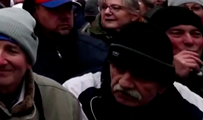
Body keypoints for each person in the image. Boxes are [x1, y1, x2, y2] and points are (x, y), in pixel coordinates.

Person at [63, 22, 203, 119]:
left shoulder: (194, 109)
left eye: (140, 75)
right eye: (119, 68)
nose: (124, 83)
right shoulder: (75, 94)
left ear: (162, 85)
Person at [23, 0, 107, 84]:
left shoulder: (96, 50)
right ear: (35, 11)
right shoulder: (23, 54)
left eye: (68, 8)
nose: (65, 16)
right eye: (55, 9)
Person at [151, 6, 203, 98]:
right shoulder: (140, 75)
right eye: (177, 33)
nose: (189, 41)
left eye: (196, 34)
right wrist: (172, 76)